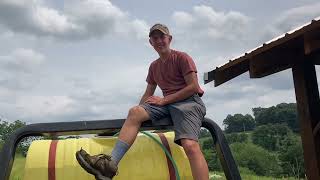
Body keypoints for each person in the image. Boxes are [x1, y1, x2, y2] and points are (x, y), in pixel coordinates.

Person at [75, 23, 209, 180]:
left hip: (188, 103)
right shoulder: (154, 67)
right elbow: (148, 94)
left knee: (190, 146)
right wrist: (134, 117)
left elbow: (193, 87)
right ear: (151, 42)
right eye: (155, 38)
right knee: (135, 112)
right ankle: (109, 167)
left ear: (170, 39)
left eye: (162, 37)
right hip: (166, 105)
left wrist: (164, 100)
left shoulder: (182, 58)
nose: (159, 41)